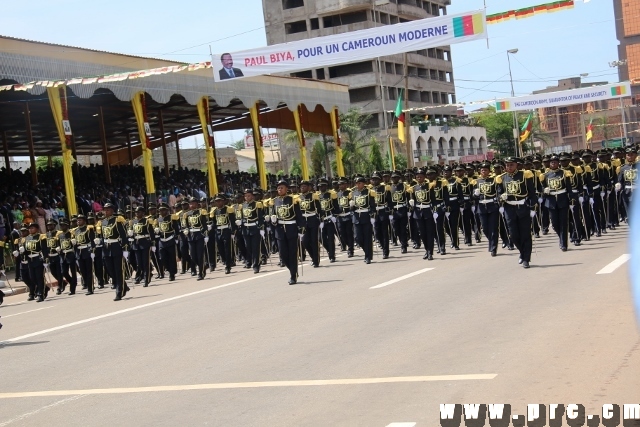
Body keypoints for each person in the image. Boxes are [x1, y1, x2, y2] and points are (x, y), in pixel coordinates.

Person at [495, 157, 537, 268]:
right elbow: (498, 195)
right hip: (509, 208)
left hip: (523, 206)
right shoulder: (502, 178)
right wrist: (501, 198)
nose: (509, 167)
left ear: (516, 165)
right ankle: (522, 252)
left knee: (525, 234)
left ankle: (526, 259)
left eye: (511, 165)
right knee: (513, 235)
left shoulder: (525, 175)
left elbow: (532, 193)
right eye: (507, 165)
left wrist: (532, 208)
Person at [269, 179, 302, 284]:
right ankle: (293, 270)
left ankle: (293, 275)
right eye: (278, 188)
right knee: (283, 254)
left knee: (292, 253)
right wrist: (272, 221)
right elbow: (273, 215)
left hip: (291, 228)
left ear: (286, 189)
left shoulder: (293, 199)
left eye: (281, 187)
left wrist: (301, 228)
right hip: (279, 230)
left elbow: (299, 215)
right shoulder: (275, 201)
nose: (279, 189)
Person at [100, 203, 130, 301]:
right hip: (106, 249)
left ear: (112, 210)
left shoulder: (117, 220)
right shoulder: (103, 222)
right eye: (105, 210)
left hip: (116, 247)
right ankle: (124, 286)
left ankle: (119, 292)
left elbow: (123, 236)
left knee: (118, 271)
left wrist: (125, 249)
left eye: (108, 209)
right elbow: (102, 236)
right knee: (111, 271)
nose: (106, 211)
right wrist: (99, 241)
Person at [473, 162, 500, 257]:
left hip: (492, 206)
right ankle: (492, 242)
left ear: (489, 171)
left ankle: (493, 248)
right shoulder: (476, 181)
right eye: (482, 170)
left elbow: (498, 192)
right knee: (484, 228)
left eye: (485, 170)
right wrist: (475, 194)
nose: (483, 171)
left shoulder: (493, 180)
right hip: (481, 207)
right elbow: (473, 196)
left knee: (493, 228)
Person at [237, 188, 264, 274]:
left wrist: (261, 228)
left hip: (255, 228)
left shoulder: (257, 204)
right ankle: (250, 262)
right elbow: (240, 217)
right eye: (245, 196)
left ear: (252, 196)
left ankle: (256, 265)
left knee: (255, 247)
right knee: (248, 247)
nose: (247, 197)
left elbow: (260, 217)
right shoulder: (242, 206)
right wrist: (239, 221)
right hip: (246, 229)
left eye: (249, 195)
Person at [350, 176, 376, 264]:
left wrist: (372, 216)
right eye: (356, 183)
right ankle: (367, 252)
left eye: (359, 183)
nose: (357, 185)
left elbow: (373, 206)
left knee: (367, 238)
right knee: (358, 238)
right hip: (356, 217)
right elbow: (352, 209)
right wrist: (351, 206)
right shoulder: (353, 193)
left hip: (366, 216)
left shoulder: (369, 192)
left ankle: (368, 256)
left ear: (363, 183)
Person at [210, 194, 236, 275]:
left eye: (220, 201)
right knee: (220, 250)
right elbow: (214, 222)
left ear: (223, 201)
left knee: (227, 249)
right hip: (218, 231)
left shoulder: (228, 209)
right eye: (217, 201)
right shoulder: (214, 211)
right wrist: (210, 227)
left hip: (226, 230)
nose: (218, 202)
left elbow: (232, 221)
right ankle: (225, 261)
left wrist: (233, 231)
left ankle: (228, 266)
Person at [155, 203, 179, 281]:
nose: (161, 212)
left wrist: (176, 237)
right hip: (162, 241)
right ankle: (168, 269)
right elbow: (157, 229)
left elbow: (176, 229)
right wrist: (156, 231)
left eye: (163, 210)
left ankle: (172, 274)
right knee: (162, 258)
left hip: (170, 239)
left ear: (167, 210)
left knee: (172, 258)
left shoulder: (171, 218)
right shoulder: (158, 219)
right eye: (160, 210)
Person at [73, 214, 96, 295]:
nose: (78, 221)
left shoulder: (88, 229)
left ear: (84, 221)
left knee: (89, 271)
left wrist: (93, 251)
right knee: (82, 271)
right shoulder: (75, 231)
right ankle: (87, 284)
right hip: (79, 252)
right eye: (77, 220)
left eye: (80, 220)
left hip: (87, 250)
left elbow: (92, 241)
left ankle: (90, 288)